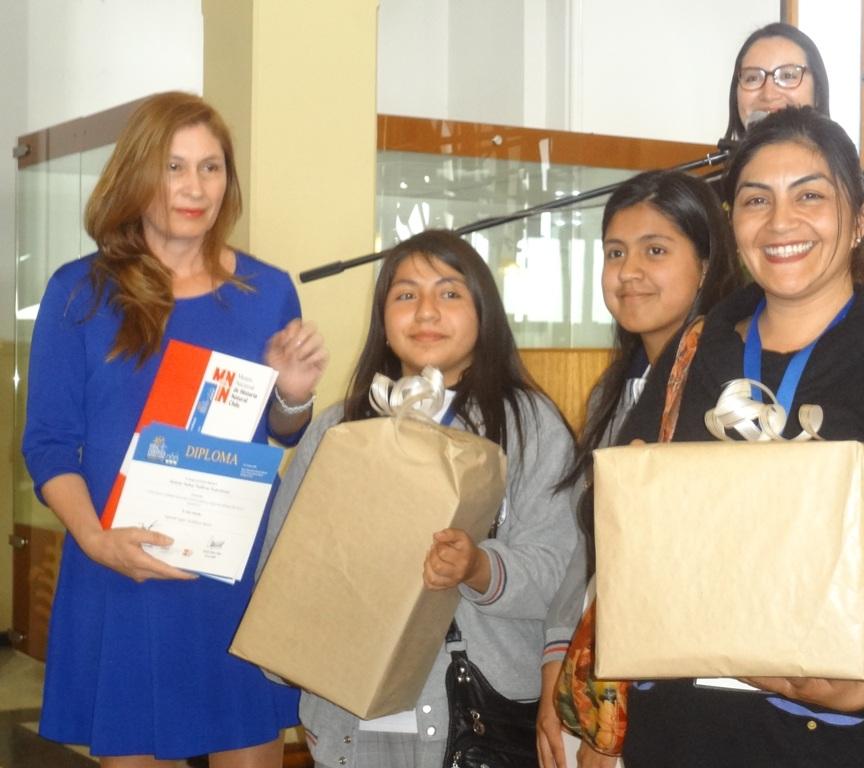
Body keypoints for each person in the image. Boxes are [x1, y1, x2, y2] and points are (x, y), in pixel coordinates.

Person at [620, 107, 864, 767]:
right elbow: (618, 535)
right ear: (734, 223)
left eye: (810, 196)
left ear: (860, 218)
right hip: (682, 733)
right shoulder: (690, 359)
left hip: (833, 741)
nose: (781, 223)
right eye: (756, 200)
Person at [21, 91, 327, 766]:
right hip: (119, 571)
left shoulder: (267, 291)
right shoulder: (79, 292)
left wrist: (295, 397)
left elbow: (281, 433)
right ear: (137, 175)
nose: (195, 188)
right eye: (174, 167)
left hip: (231, 579)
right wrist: (98, 542)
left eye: (211, 168)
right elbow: (46, 444)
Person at [257, 229, 578, 768]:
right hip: (350, 718)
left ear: (484, 313)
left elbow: (556, 571)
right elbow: (281, 568)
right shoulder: (341, 426)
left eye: (449, 293)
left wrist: (477, 567)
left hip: (477, 712)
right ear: (384, 317)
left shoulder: (527, 423)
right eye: (406, 294)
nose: (426, 311)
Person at [535, 170, 743, 768]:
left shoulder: (718, 392)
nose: (629, 272)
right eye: (615, 253)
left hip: (666, 696)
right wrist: (558, 666)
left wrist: (617, 722)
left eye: (656, 250)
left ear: (706, 262)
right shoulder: (622, 388)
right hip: (599, 664)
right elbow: (593, 552)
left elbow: (690, 572)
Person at [723, 22, 864, 344]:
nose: (769, 91)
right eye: (752, 77)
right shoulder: (710, 196)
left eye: (788, 75)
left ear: (818, 91)